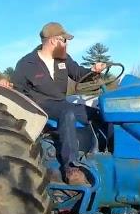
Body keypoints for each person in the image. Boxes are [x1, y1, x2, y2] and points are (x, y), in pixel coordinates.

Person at [9, 22, 107, 185]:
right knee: (66, 113)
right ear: (54, 41)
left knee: (101, 113)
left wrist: (93, 71)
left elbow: (78, 74)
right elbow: (17, 91)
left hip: (61, 103)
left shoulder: (64, 59)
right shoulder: (26, 64)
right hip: (39, 106)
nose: (66, 44)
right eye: (64, 40)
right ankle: (72, 168)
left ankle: (105, 155)